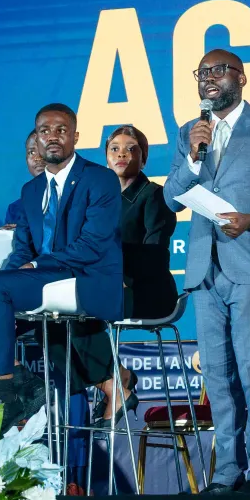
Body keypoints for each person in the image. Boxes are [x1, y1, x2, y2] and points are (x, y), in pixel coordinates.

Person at [163, 49, 250, 495]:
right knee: (217, 377)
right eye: (202, 72)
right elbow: (171, 198)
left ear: (241, 78)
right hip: (204, 268)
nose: (208, 78)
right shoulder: (190, 132)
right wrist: (192, 158)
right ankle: (227, 472)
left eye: (218, 70)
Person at [0, 103, 123, 417]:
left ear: (75, 137)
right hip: (41, 282)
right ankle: (19, 374)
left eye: (61, 130)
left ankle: (6, 389)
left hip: (83, 277)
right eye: (44, 131)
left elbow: (92, 245)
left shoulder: (99, 179)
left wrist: (32, 268)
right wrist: (6, 281)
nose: (52, 136)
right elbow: (22, 251)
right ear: (36, 139)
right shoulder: (31, 191)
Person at [93, 125, 179, 427]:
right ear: (106, 157)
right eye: (115, 148)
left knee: (80, 314)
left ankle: (115, 382)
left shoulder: (154, 195)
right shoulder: (100, 199)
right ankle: (117, 380)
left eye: (131, 149)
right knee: (61, 320)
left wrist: (114, 267)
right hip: (110, 290)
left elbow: (155, 256)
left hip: (149, 293)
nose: (122, 154)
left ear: (143, 159)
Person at [2, 131, 45, 229]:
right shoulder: (15, 209)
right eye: (31, 152)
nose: (37, 158)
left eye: (43, 150)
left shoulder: (75, 200)